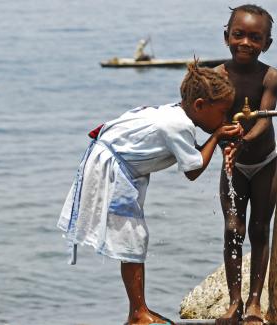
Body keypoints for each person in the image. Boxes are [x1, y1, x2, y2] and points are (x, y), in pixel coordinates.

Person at [58, 61, 242, 325]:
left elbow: (191, 153)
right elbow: (193, 169)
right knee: (133, 238)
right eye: (223, 112)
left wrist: (214, 135)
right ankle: (138, 314)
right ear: (200, 106)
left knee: (134, 238)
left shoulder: (177, 114)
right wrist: (216, 137)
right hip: (114, 171)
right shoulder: (179, 126)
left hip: (114, 162)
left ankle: (138, 310)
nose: (224, 119)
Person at [213, 4, 277, 325]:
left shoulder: (269, 76)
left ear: (266, 43)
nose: (245, 43)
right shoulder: (218, 77)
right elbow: (209, 117)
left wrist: (243, 141)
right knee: (232, 230)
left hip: (265, 164)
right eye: (238, 35)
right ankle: (234, 302)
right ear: (226, 36)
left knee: (258, 229)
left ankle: (255, 302)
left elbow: (265, 122)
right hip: (233, 166)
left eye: (255, 38)